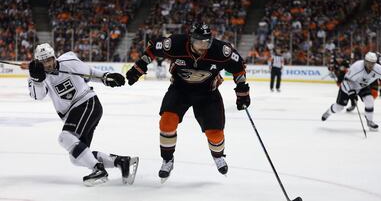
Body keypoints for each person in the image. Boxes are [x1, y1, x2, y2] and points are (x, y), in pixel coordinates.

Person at [126, 23, 250, 182]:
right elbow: (152, 49)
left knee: (216, 134)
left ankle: (218, 156)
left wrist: (242, 92)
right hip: (180, 90)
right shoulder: (175, 44)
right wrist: (138, 68)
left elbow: (239, 67)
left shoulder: (221, 50)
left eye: (206, 42)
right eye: (199, 42)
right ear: (191, 40)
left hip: (208, 94)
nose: (203, 46)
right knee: (166, 123)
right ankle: (167, 160)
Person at [27, 43, 139, 186]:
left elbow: (89, 73)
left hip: (87, 103)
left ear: (54, 56)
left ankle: (98, 169)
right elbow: (38, 96)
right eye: (43, 62)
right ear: (38, 62)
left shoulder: (68, 61)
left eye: (49, 59)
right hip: (75, 112)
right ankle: (122, 162)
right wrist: (37, 80)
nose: (47, 64)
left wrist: (107, 77)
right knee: (76, 157)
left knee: (65, 137)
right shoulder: (37, 75)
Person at [321, 52, 381, 131]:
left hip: (363, 86)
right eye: (369, 63)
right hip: (348, 86)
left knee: (369, 100)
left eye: (373, 63)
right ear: (365, 61)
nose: (371, 66)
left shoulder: (378, 68)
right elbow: (346, 81)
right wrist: (350, 91)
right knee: (339, 107)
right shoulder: (356, 67)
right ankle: (329, 112)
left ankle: (370, 121)